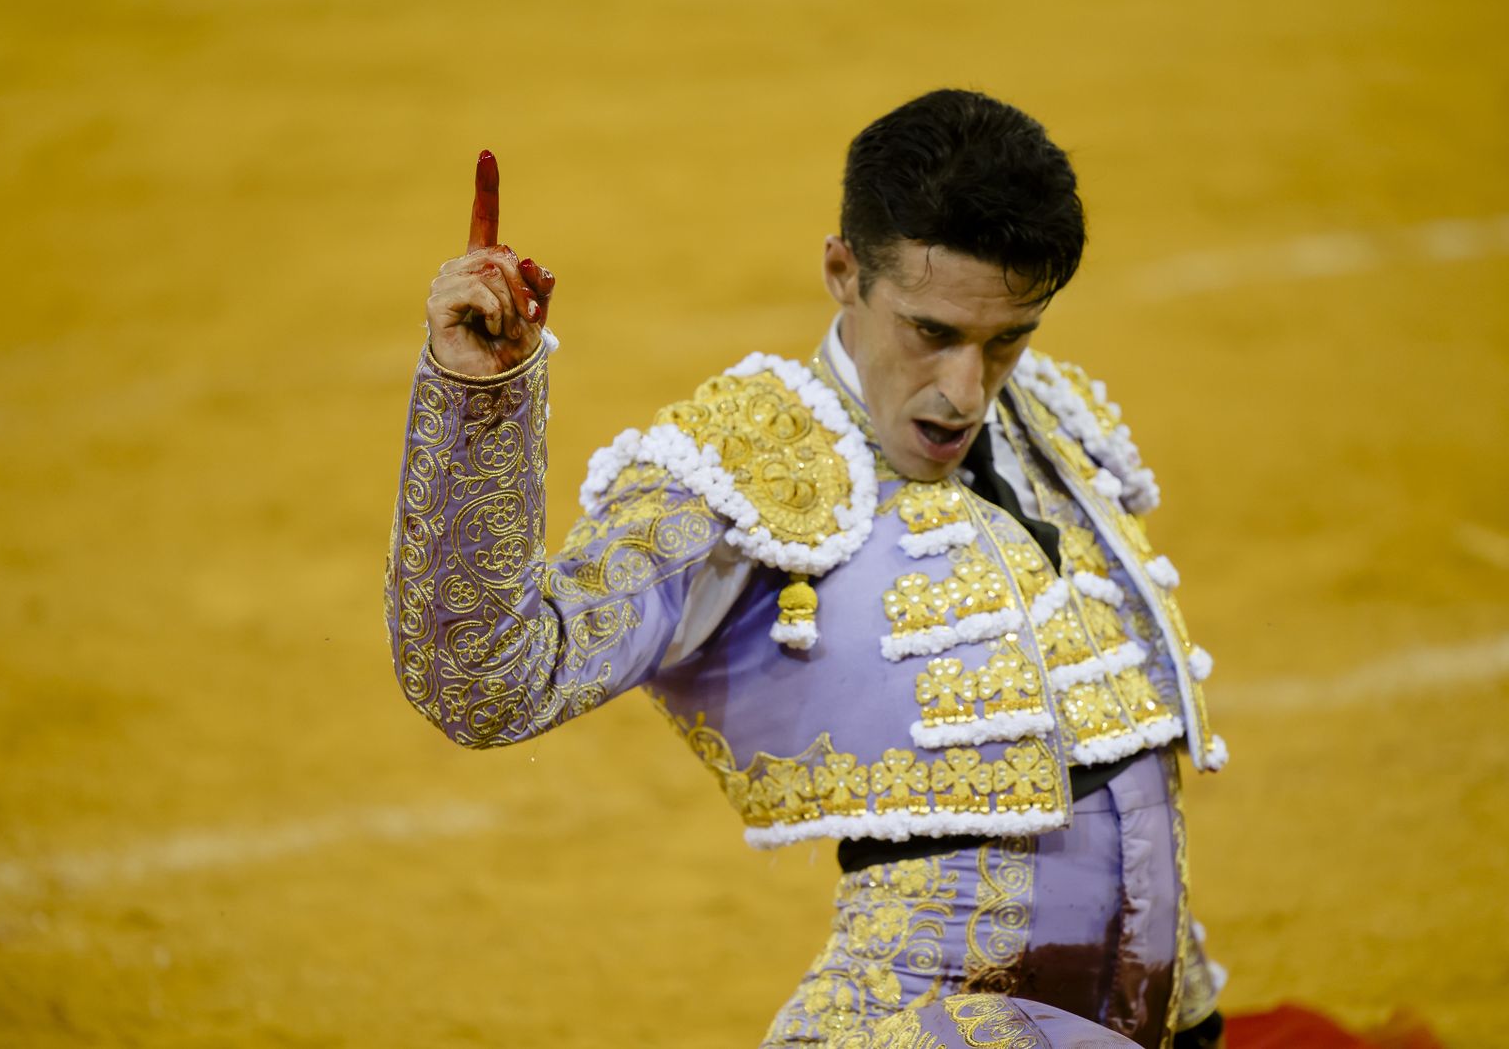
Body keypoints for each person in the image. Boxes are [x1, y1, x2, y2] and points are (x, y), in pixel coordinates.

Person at [385, 89, 1228, 1049]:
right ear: (842, 270)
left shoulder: (1053, 416)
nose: (964, 391)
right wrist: (479, 405)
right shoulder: (740, 463)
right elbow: (489, 683)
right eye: (932, 332)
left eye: (1009, 338)